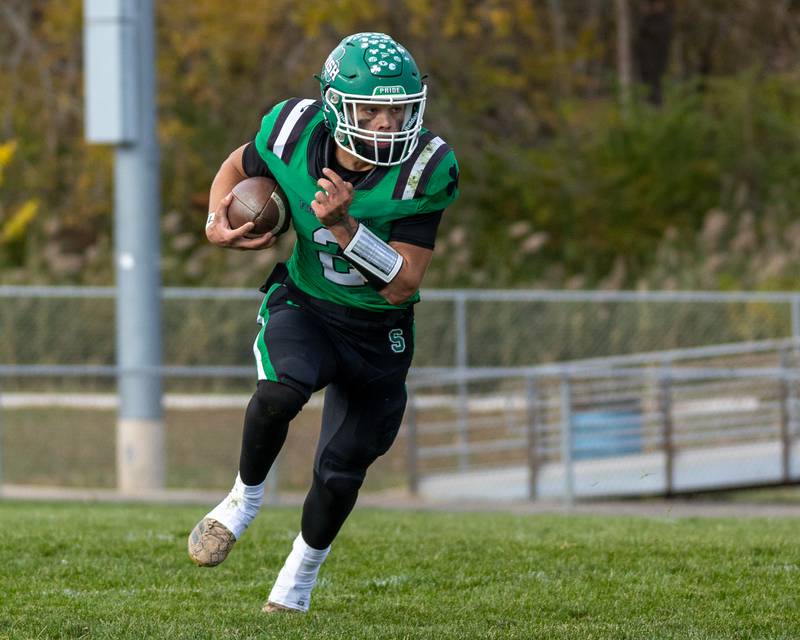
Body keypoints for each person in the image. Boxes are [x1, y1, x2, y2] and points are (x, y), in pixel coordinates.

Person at [188, 32, 459, 614]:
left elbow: (404, 282)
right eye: (373, 110)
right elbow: (237, 165)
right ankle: (243, 499)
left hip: (378, 330)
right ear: (337, 106)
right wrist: (216, 218)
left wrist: (344, 228)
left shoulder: (427, 168)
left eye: (399, 109)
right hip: (307, 304)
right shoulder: (290, 130)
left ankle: (296, 581)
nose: (388, 125)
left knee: (340, 470)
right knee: (280, 393)